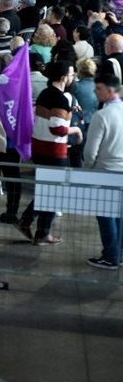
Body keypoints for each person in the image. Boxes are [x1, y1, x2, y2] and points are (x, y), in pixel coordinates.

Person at [18, 61, 80, 246]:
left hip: (39, 148)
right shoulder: (61, 99)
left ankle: (29, 222)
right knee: (54, 194)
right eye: (70, 74)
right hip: (54, 151)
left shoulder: (45, 94)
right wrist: (76, 131)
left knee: (47, 191)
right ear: (63, 78)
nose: (72, 77)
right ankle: (40, 231)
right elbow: (58, 128)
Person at [85, 73, 123, 270]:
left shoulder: (102, 116)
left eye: (98, 88)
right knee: (120, 215)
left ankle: (110, 256)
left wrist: (87, 168)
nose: (95, 91)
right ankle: (119, 253)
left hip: (105, 172)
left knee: (106, 215)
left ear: (109, 90)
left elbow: (91, 151)